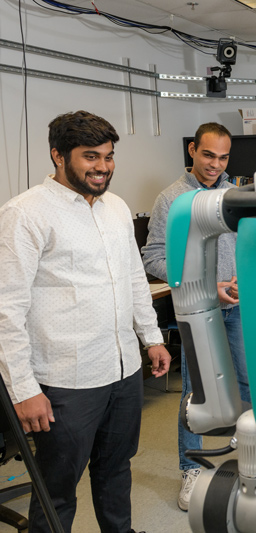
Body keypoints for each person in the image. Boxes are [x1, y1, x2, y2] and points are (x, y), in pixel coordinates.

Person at [0, 110, 171, 533]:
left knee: (116, 469)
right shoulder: (25, 214)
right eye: (90, 156)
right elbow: (6, 310)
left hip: (122, 370)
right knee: (56, 488)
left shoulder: (116, 207)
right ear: (58, 156)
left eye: (109, 156)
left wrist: (151, 339)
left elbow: (133, 278)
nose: (103, 167)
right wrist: (23, 390)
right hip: (65, 381)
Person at [142, 123, 256, 512]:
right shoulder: (171, 199)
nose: (215, 164)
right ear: (192, 150)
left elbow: (247, 244)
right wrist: (211, 284)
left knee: (247, 381)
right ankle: (191, 470)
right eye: (208, 155)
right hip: (198, 310)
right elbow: (153, 256)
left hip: (238, 307)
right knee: (197, 392)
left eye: (222, 157)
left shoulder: (233, 194)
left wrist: (246, 276)